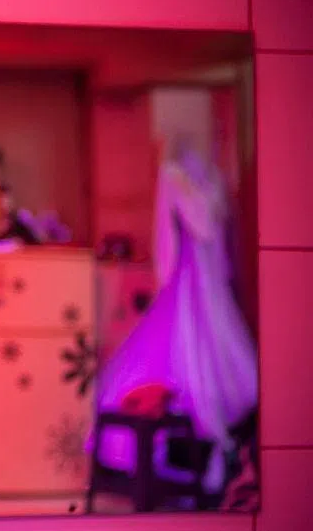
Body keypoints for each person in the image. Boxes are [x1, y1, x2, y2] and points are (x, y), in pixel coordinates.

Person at [93, 138, 257, 497]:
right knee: (200, 363)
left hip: (195, 282)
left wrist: (165, 278)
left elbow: (166, 241)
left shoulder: (184, 177)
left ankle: (211, 460)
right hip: (203, 282)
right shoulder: (202, 180)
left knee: (199, 361)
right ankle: (203, 459)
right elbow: (187, 236)